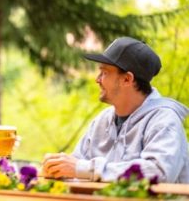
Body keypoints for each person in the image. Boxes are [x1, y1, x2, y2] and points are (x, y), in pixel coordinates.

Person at [42, 37, 189, 183]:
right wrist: (59, 170)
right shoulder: (101, 121)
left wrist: (83, 169)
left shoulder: (165, 121)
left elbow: (159, 172)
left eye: (104, 72)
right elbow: (76, 168)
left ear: (127, 79)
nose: (97, 79)